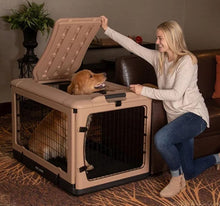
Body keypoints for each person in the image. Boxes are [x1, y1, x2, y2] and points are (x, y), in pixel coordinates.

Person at [100, 16, 220, 198]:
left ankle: (175, 179)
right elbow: (133, 47)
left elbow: (176, 94)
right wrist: (107, 30)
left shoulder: (186, 61)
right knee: (190, 171)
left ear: (172, 39)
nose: (157, 42)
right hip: (177, 119)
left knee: (161, 139)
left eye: (160, 38)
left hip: (194, 116)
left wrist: (143, 90)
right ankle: (217, 158)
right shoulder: (159, 59)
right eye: (157, 38)